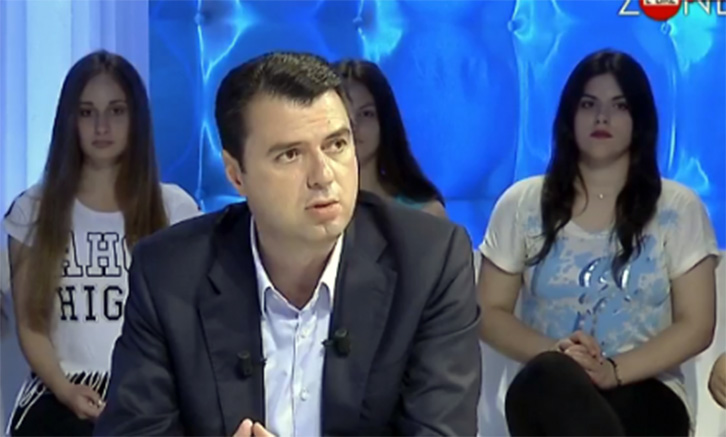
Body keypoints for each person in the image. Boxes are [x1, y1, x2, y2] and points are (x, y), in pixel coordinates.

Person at [93, 51, 481, 437]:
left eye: (336, 145)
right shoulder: (170, 274)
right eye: (291, 154)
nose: (323, 175)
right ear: (236, 175)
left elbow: (441, 430)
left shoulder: (429, 262)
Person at [477, 49, 718, 436]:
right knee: (545, 381)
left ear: (640, 120)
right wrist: (561, 356)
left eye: (619, 106)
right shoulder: (522, 203)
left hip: (646, 390)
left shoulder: (678, 207)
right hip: (551, 387)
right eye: (589, 104)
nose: (602, 117)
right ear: (569, 116)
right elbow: (489, 311)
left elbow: (697, 325)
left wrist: (612, 370)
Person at [2, 50, 201, 436]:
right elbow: (31, 324)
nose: (102, 126)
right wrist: (64, 389)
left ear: (136, 118)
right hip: (57, 392)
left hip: (149, 394)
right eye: (87, 112)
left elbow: (187, 325)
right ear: (69, 120)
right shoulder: (32, 210)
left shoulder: (175, 209)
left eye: (117, 111)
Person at [334, 59, 447, 217]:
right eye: (343, 113)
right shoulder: (307, 216)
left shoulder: (425, 214)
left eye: (366, 114)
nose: (354, 125)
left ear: (385, 121)